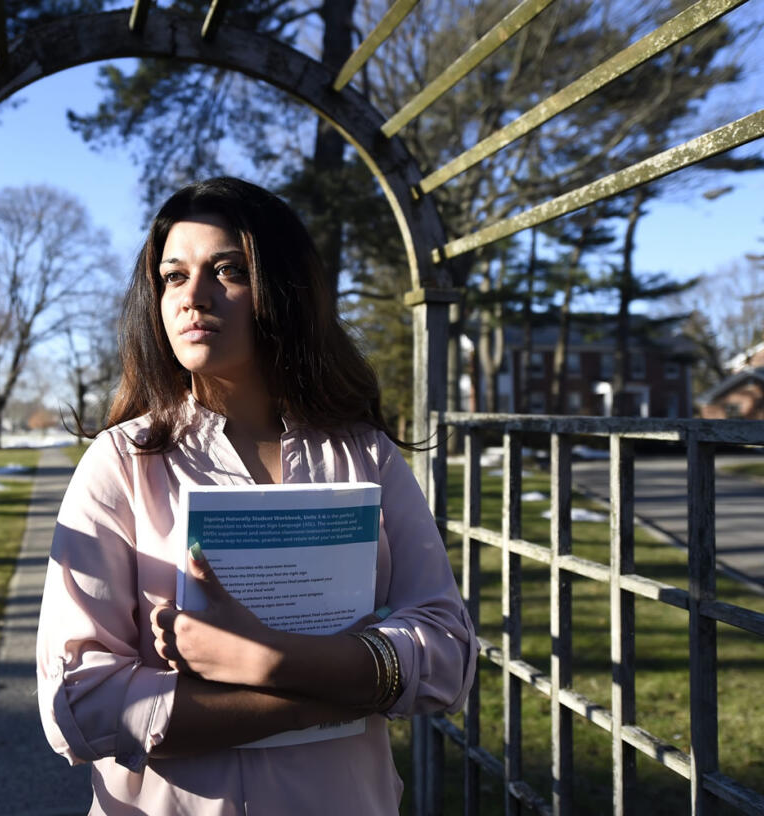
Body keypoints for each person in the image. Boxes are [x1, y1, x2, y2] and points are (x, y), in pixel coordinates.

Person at [35, 177, 476, 814]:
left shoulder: (363, 454)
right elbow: (78, 701)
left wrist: (266, 660)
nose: (193, 297)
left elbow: (448, 652)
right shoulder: (122, 463)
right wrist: (328, 687)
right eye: (173, 276)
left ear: (284, 288)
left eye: (228, 270)